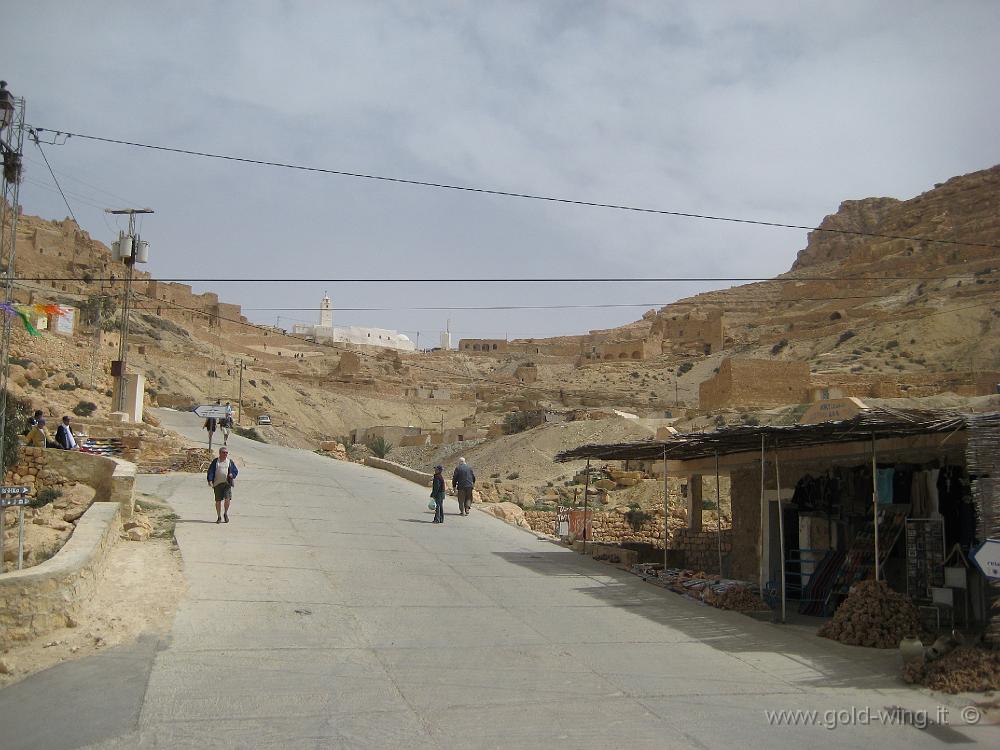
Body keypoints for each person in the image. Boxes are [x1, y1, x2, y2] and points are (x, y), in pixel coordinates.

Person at [207, 446, 239, 524]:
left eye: (226, 453)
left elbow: (235, 471)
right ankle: (219, 516)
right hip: (217, 484)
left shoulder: (230, 462)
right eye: (223, 452)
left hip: (227, 483)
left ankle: (225, 513)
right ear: (220, 453)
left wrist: (232, 475)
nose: (225, 454)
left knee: (227, 499)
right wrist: (210, 480)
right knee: (218, 501)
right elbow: (210, 471)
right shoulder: (215, 461)